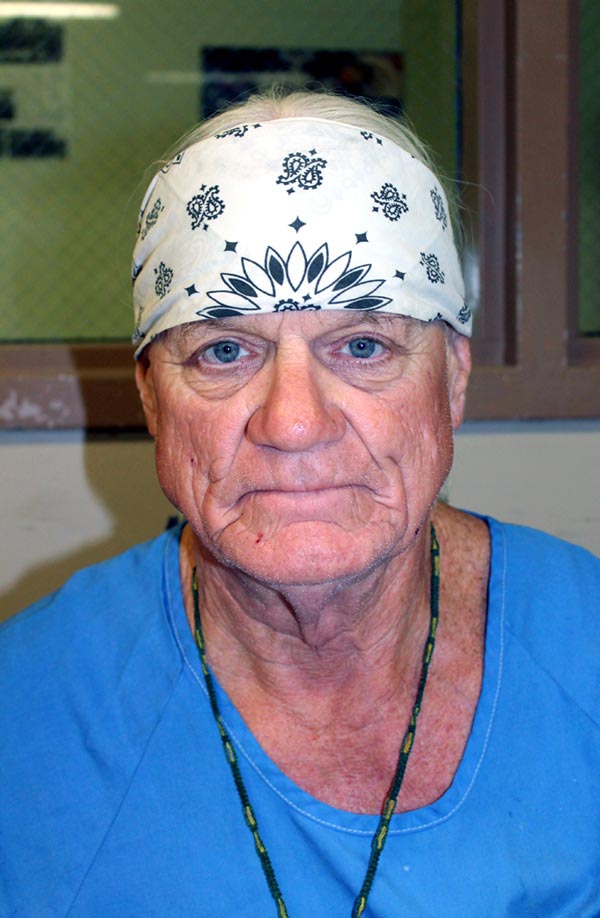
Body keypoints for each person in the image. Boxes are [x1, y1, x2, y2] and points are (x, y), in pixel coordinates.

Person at [1, 89, 599, 918]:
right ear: (150, 396)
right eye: (222, 350)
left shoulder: (584, 651)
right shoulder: (24, 719)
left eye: (362, 346)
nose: (292, 422)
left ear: (453, 380)